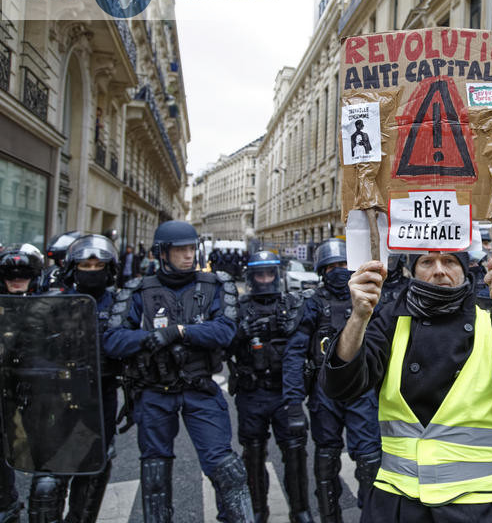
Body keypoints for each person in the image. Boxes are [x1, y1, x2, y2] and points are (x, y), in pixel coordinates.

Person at [320, 251, 492, 521]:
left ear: (464, 269)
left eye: (450, 261)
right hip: (395, 502)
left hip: (474, 504)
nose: (439, 270)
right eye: (427, 262)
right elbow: (340, 386)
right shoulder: (390, 317)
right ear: (412, 271)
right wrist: (358, 316)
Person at [103, 220, 254, 522]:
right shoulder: (137, 290)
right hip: (154, 392)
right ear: (163, 253)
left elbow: (224, 330)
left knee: (227, 470)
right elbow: (112, 339)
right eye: (180, 249)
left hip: (199, 389)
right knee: (155, 475)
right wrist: (148, 339)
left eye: (191, 248)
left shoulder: (215, 284)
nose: (188, 255)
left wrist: (178, 332)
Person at [283, 238, 381, 523]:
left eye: (343, 265)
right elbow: (293, 355)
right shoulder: (311, 303)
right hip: (324, 392)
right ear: (321, 271)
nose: (338, 271)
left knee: (369, 461)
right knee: (325, 460)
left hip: (361, 389)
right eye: (331, 267)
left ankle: (372, 516)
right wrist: (292, 404)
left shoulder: (368, 299)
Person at [27, 234, 121, 522]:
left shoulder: (122, 306)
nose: (92, 271)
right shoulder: (51, 305)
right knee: (48, 481)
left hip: (100, 400)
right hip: (57, 400)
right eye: (85, 265)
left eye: (98, 265)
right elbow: (29, 349)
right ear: (72, 268)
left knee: (92, 474)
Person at [227, 251, 314, 523]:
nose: (265, 280)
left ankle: (300, 510)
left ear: (277, 276)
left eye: (269, 274)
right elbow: (218, 348)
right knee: (252, 453)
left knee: (295, 451)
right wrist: (238, 333)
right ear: (252, 278)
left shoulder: (291, 303)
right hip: (251, 393)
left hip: (283, 394)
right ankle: (257, 510)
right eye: (259, 275)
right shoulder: (239, 307)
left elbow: (305, 347)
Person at [0, 244, 44, 522]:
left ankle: (45, 504)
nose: (17, 281)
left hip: (38, 386)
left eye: (24, 275)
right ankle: (7, 501)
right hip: (4, 386)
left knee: (45, 449)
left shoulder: (50, 302)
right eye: (10, 275)